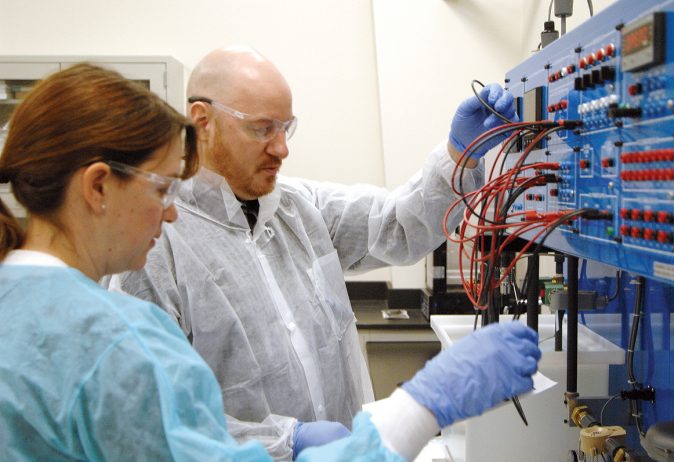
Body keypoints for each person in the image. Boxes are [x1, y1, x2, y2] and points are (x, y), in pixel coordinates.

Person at [0, 63, 540, 462]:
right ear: (202, 120)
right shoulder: (126, 307)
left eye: (288, 128)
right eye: (262, 128)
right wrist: (413, 409)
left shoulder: (297, 208)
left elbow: (396, 225)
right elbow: (181, 433)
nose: (281, 148)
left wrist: (456, 156)